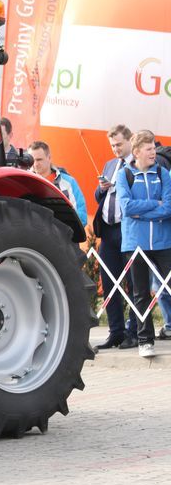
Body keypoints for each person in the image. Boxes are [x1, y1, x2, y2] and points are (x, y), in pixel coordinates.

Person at [116, 130, 171, 358]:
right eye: (149, 149)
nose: (153, 153)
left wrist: (144, 212)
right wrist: (153, 206)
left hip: (163, 241)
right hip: (135, 243)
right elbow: (127, 208)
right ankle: (144, 340)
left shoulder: (164, 173)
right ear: (137, 152)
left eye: (154, 149)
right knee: (140, 294)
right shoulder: (124, 175)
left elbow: (168, 207)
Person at [92, 125, 139, 349]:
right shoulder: (110, 164)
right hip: (108, 230)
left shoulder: (137, 164)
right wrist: (102, 188)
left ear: (130, 141)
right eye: (112, 145)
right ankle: (116, 331)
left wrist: (121, 186)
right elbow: (97, 196)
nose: (115, 149)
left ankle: (134, 331)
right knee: (110, 281)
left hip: (128, 229)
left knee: (132, 283)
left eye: (119, 144)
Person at [27, 141, 87, 224]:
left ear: (49, 158)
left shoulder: (68, 182)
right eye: (32, 160)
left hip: (62, 234)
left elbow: (81, 218)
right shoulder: (24, 182)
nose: (35, 164)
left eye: (39, 160)